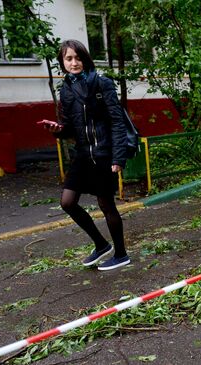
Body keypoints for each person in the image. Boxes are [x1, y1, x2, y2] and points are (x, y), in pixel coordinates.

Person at [38, 39, 130, 271]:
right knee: (67, 202)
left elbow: (117, 121)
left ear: (85, 59)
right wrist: (57, 131)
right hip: (82, 154)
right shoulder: (66, 89)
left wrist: (118, 158)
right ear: (62, 62)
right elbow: (69, 127)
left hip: (104, 153)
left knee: (106, 204)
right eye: (68, 58)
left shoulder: (102, 83)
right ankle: (101, 245)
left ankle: (121, 254)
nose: (74, 62)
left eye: (78, 58)